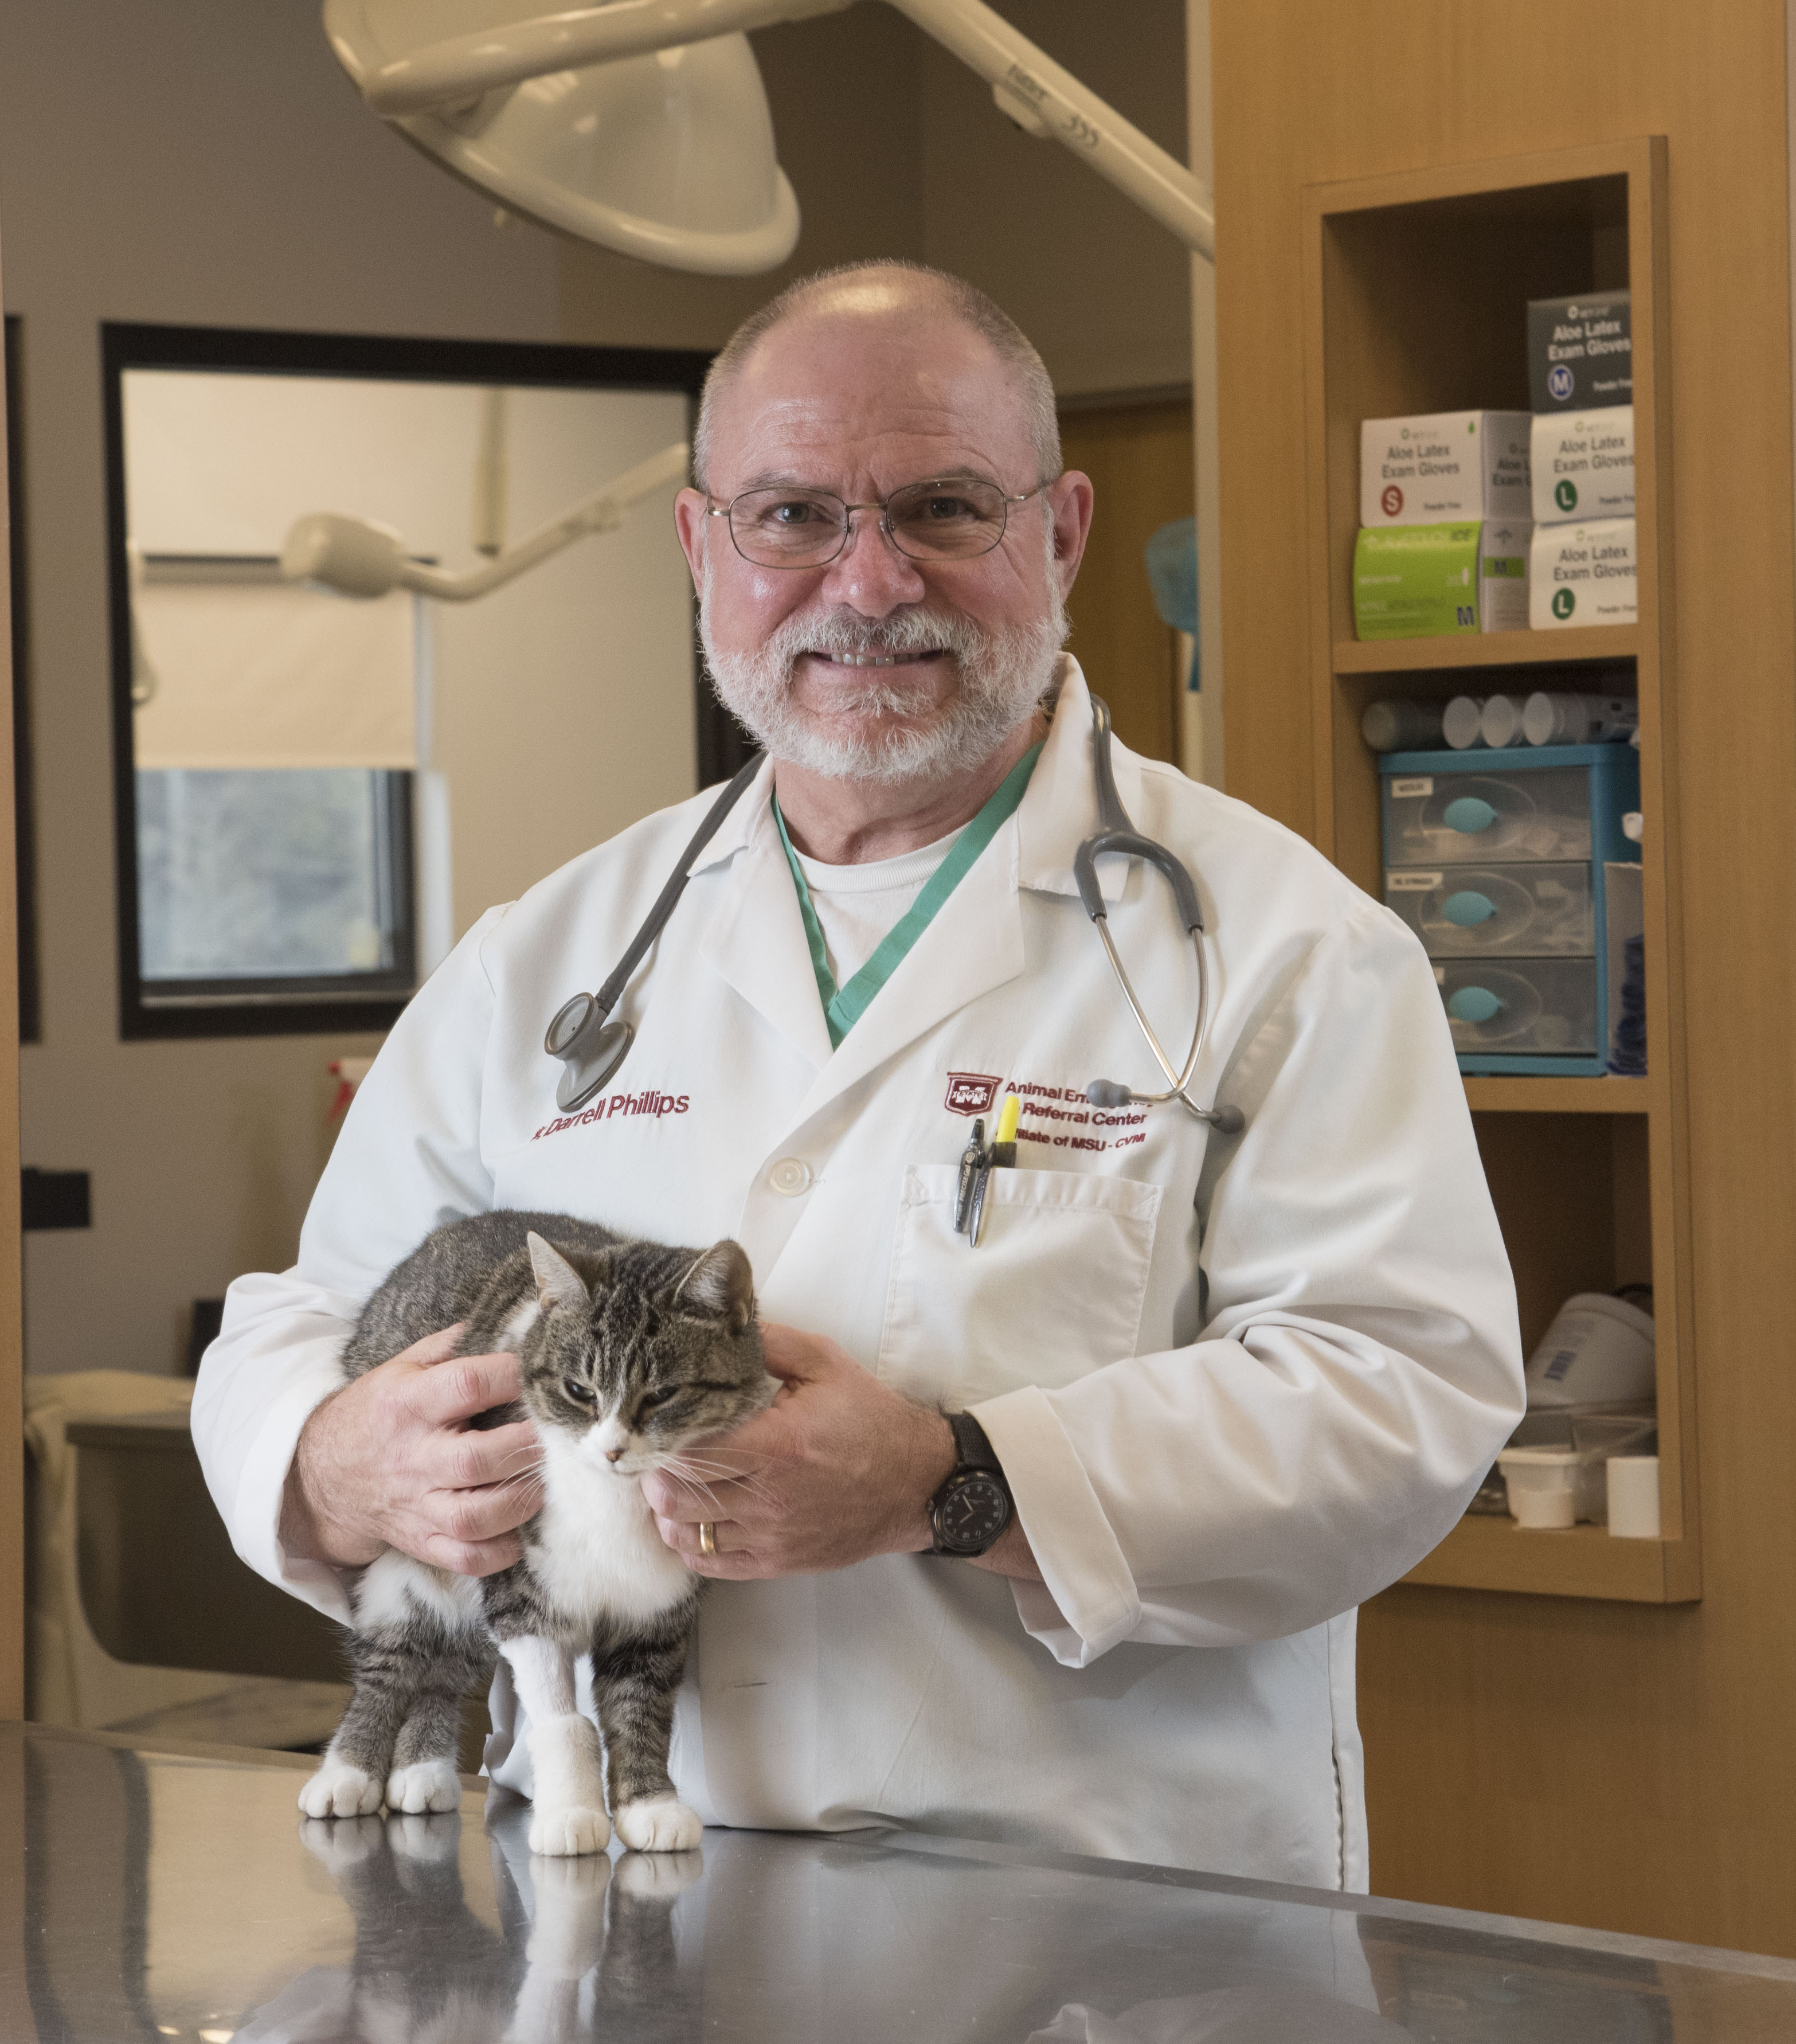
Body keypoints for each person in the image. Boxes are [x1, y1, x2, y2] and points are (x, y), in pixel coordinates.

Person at [191, 260, 1521, 1889]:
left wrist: (952, 1483)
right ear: (701, 548)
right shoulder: (549, 955)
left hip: (1099, 1905)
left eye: (943, 508)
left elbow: (1402, 1395)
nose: (867, 579)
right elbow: (303, 1315)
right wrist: (337, 1465)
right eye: (794, 516)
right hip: (614, 1902)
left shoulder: (1281, 944)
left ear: (1063, 532)